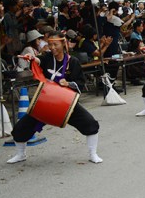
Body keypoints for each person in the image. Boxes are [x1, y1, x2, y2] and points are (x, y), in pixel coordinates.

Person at [7, 33, 103, 164]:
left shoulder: (72, 62)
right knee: (20, 128)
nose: (52, 47)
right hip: (46, 101)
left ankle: (93, 154)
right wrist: (32, 58)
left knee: (90, 123)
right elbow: (38, 60)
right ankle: (21, 154)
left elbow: (80, 83)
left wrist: (68, 83)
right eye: (50, 44)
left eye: (55, 44)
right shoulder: (47, 58)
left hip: (66, 103)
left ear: (63, 44)